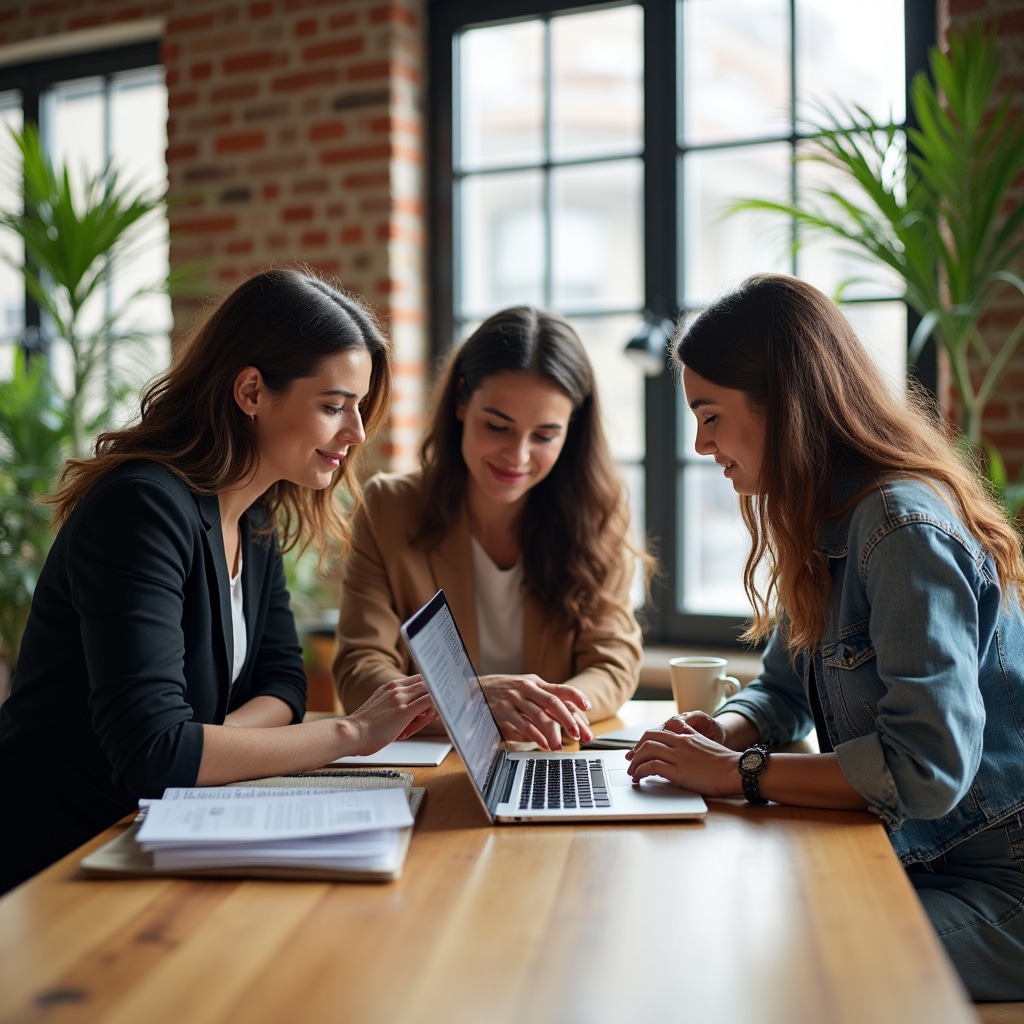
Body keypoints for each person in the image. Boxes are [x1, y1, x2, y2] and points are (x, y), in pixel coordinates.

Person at [625, 273, 1024, 1000]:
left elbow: (925, 770)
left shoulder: (900, 527)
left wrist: (735, 773)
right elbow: (781, 689)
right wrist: (724, 730)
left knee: (778, 955)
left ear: (781, 402)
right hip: (920, 860)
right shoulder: (825, 517)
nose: (699, 441)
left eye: (710, 414)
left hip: (1000, 888)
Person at [0, 268, 435, 894]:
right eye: (334, 406)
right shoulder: (142, 508)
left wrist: (201, 746)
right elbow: (154, 755)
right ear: (252, 391)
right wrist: (353, 732)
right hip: (59, 863)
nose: (358, 433)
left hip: (155, 832)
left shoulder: (253, 519)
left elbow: (281, 684)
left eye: (360, 408)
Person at [334, 306, 647, 750]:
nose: (517, 456)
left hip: (548, 755)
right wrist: (471, 703)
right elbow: (359, 670)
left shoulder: (598, 514)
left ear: (571, 431)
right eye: (498, 426)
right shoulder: (389, 507)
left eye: (544, 436)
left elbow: (613, 663)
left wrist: (539, 711)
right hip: (434, 762)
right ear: (462, 400)